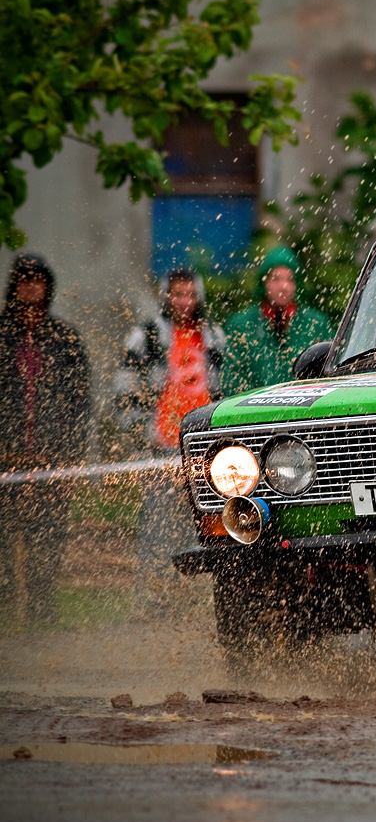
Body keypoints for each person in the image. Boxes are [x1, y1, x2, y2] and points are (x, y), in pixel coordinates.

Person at [113, 268, 225, 604]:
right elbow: (123, 389)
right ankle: (151, 602)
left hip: (204, 448)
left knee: (204, 526)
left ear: (199, 297)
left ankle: (196, 602)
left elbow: (223, 388)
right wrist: (137, 435)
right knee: (157, 530)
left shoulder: (213, 336)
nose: (185, 301)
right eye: (178, 294)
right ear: (166, 297)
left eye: (191, 294)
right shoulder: (146, 335)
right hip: (160, 447)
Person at [0, 253, 92, 625]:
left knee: (48, 537)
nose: (31, 288)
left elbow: (80, 401)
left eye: (38, 281)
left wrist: (70, 454)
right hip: (6, 458)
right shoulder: (2, 336)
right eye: (24, 281)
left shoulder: (64, 338)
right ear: (14, 287)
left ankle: (43, 608)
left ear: (48, 287)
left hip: (51, 459)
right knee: (5, 540)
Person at [223, 246, 331, 395]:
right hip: (254, 412)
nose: (283, 286)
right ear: (264, 282)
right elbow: (232, 382)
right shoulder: (242, 325)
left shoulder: (316, 324)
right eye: (275, 279)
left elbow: (329, 375)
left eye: (290, 279)